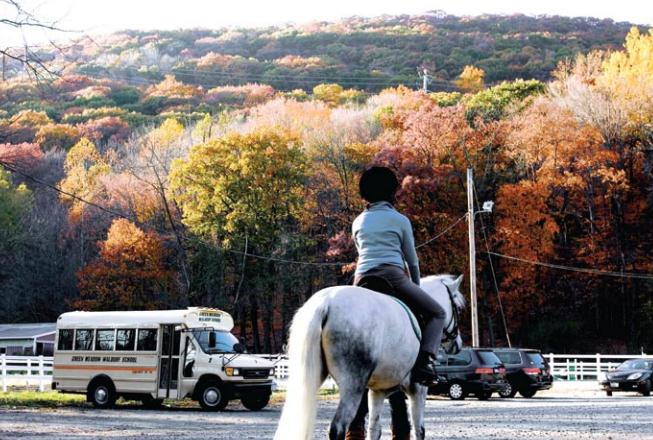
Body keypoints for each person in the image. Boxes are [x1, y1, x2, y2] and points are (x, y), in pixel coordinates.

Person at [352, 166, 446, 384]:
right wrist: (416, 286)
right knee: (438, 313)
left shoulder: (357, 221)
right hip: (392, 276)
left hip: (361, 278)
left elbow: (360, 252)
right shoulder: (400, 220)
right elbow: (412, 260)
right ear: (391, 192)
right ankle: (425, 364)